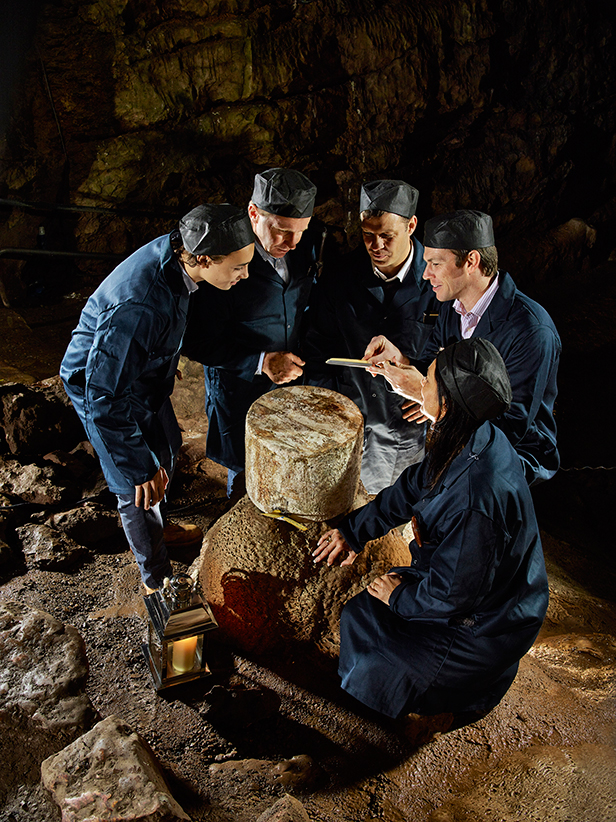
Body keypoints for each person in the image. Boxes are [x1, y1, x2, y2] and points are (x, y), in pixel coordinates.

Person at [313, 338, 549, 720]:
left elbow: (453, 594)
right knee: (360, 614)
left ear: (448, 403)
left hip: (486, 625)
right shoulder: (471, 434)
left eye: (428, 381)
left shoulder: (477, 497)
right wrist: (354, 531)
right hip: (469, 587)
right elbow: (413, 487)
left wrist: (399, 598)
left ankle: (445, 702)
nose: (419, 384)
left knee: (377, 652)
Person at [60, 204, 255, 593]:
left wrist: (157, 358)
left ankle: (160, 526)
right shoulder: (141, 305)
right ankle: (156, 578)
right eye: (237, 267)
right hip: (102, 389)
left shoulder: (176, 257)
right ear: (202, 258)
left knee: (167, 446)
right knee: (138, 488)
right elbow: (104, 397)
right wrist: (136, 468)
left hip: (136, 375)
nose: (245, 275)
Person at [363, 210, 561, 485]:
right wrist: (403, 361)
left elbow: (508, 428)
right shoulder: (452, 307)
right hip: (457, 446)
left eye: (435, 263)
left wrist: (426, 397)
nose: (426, 275)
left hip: (508, 464)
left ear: (471, 261)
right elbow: (434, 365)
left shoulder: (531, 331)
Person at [182, 167, 321, 494]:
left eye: (301, 230)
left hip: (290, 388)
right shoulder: (221, 259)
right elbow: (196, 341)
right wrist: (261, 362)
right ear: (253, 213)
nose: (291, 242)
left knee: (285, 472)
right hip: (240, 390)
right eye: (282, 230)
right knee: (247, 477)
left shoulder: (306, 248)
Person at [303, 179, 439, 493]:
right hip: (351, 422)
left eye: (387, 236)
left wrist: (435, 393)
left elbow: (459, 350)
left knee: (401, 515)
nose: (376, 246)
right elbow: (316, 345)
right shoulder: (340, 279)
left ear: (411, 226)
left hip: (408, 429)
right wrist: (330, 406)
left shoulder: (438, 281)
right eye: (368, 235)